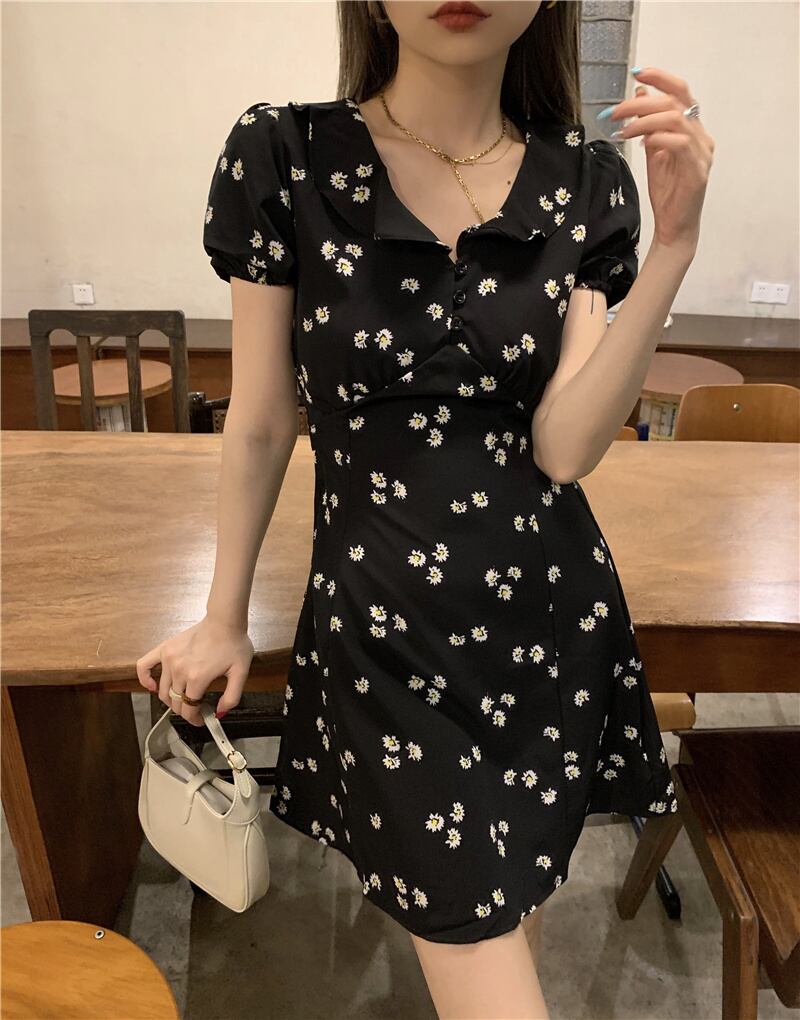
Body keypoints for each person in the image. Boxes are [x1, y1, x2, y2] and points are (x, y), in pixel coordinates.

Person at [137, 2, 713, 1016]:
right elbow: (263, 420)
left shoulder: (585, 183)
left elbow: (563, 448)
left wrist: (673, 247)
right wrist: (223, 615)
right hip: (382, 634)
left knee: (508, 905)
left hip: (545, 630)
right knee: (481, 946)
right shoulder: (285, 157)